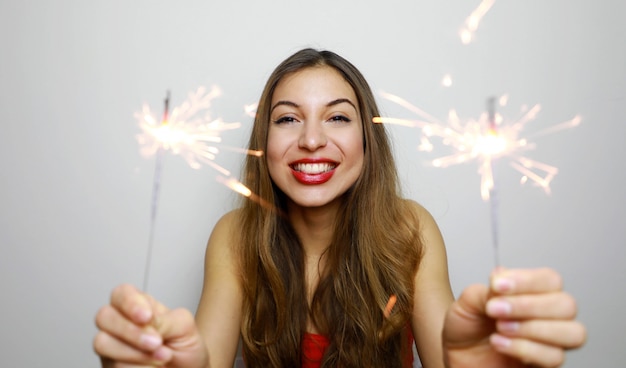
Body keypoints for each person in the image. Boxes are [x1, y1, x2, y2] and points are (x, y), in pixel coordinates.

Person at [93, 48, 586, 368]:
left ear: (368, 141)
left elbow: (448, 355)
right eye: (288, 119)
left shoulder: (410, 229)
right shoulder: (234, 236)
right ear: (264, 142)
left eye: (337, 117)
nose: (311, 140)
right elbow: (206, 357)